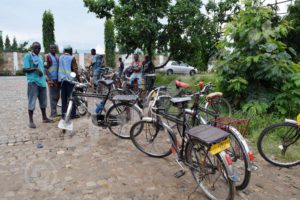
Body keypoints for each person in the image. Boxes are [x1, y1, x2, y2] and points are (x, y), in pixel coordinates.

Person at [23, 42, 53, 128]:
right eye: (35, 48)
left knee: (43, 101)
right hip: (33, 82)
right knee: (32, 101)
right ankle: (31, 121)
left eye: (39, 48)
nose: (37, 50)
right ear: (32, 48)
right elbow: (25, 69)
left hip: (42, 82)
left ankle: (44, 117)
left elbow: (43, 68)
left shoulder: (40, 57)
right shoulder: (28, 56)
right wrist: (35, 69)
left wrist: (48, 75)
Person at [58, 46, 79, 119]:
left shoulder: (60, 58)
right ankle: (73, 114)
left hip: (62, 80)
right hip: (70, 81)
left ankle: (63, 114)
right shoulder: (71, 58)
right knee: (72, 97)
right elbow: (75, 70)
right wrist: (78, 80)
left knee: (63, 99)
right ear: (70, 51)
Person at [45, 44, 60, 117]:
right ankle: (53, 113)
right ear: (49, 49)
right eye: (52, 48)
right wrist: (49, 78)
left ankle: (54, 111)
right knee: (53, 96)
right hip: (51, 79)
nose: (53, 49)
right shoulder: (48, 56)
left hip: (57, 79)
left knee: (57, 96)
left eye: (54, 48)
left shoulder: (57, 56)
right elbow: (45, 68)